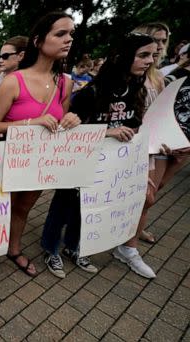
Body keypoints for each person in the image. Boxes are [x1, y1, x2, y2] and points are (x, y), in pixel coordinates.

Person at [41, 32, 157, 278]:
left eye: (153, 55)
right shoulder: (91, 93)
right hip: (78, 162)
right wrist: (108, 131)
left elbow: (134, 131)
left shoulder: (137, 91)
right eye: (143, 55)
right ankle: (51, 250)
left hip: (109, 169)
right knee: (63, 206)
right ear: (123, 57)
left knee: (87, 209)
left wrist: (140, 169)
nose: (149, 61)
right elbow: (70, 130)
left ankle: (74, 247)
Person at [0, 12, 80, 278]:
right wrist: (31, 122)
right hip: (8, 159)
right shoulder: (14, 81)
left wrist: (71, 120)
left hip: (39, 163)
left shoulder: (65, 83)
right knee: (0, 207)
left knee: (24, 207)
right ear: (39, 41)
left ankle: (13, 249)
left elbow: (58, 124)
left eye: (71, 34)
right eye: (60, 34)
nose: (68, 40)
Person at [130, 23, 168, 244]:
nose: (161, 46)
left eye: (164, 41)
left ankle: (132, 238)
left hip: (154, 145)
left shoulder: (158, 78)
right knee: (142, 194)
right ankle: (127, 240)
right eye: (156, 41)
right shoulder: (132, 76)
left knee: (149, 197)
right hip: (134, 142)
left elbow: (162, 112)